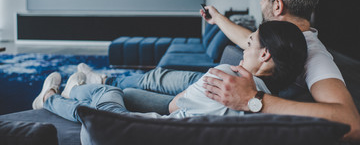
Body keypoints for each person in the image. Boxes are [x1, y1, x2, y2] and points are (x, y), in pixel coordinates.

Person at [83, 0, 359, 141]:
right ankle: (100, 84)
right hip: (214, 87)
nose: (259, 2)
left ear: (277, 6)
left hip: (224, 98)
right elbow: (247, 40)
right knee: (135, 89)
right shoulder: (280, 37)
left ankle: (85, 92)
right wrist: (217, 18)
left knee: (126, 93)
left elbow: (350, 123)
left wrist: (254, 100)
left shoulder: (315, 55)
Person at [32, 21, 307, 123]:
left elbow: (175, 106)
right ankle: (75, 88)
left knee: (108, 92)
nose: (244, 50)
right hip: (168, 128)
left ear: (265, 54)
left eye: (249, 44)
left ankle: (51, 97)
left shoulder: (227, 76)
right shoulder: (271, 107)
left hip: (136, 131)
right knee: (126, 92)